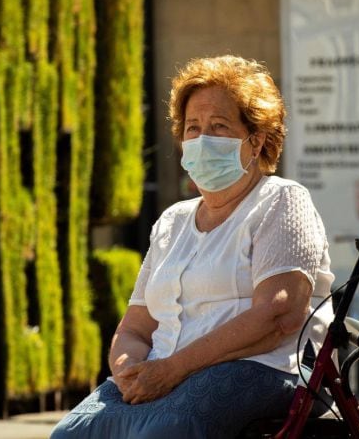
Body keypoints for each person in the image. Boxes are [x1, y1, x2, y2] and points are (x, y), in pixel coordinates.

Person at [52, 55, 334, 439]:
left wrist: (172, 370)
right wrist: (128, 370)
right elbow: (135, 328)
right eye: (192, 128)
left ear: (258, 140)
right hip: (164, 372)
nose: (202, 140)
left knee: (162, 433)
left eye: (218, 127)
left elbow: (278, 315)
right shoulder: (172, 221)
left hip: (264, 367)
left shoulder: (281, 200)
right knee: (71, 434)